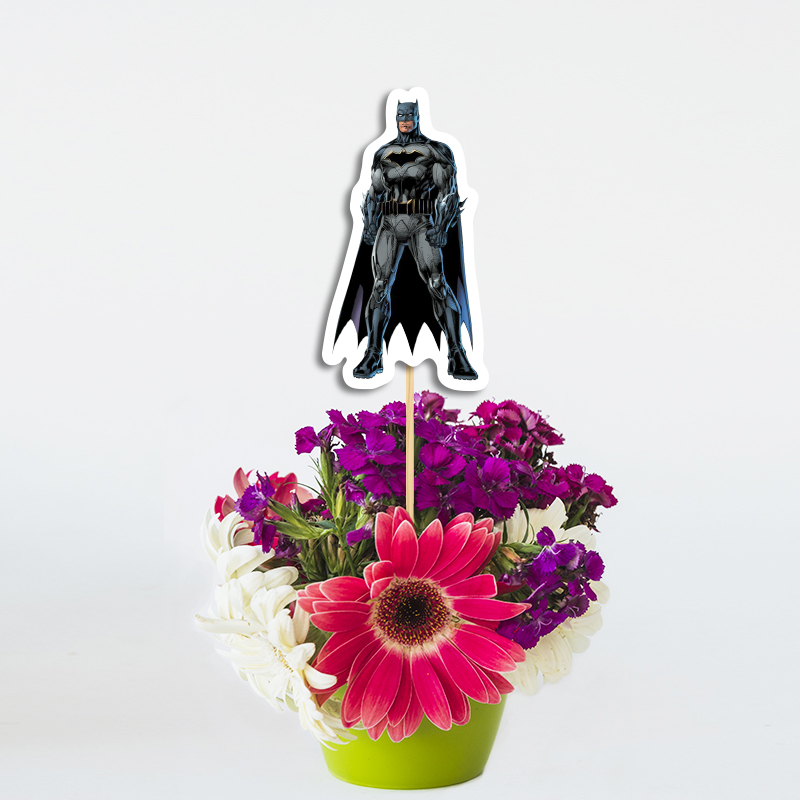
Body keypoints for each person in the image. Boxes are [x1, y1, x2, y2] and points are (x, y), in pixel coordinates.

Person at [347, 101, 477, 380]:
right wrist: (370, 224)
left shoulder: (435, 151)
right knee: (379, 285)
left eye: (409, 115)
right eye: (400, 116)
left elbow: (448, 191)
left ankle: (457, 354)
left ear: (417, 116)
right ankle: (373, 354)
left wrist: (441, 226)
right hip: (389, 224)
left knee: (437, 283)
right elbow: (375, 192)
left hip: (421, 222)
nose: (405, 120)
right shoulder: (383, 152)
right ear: (395, 118)